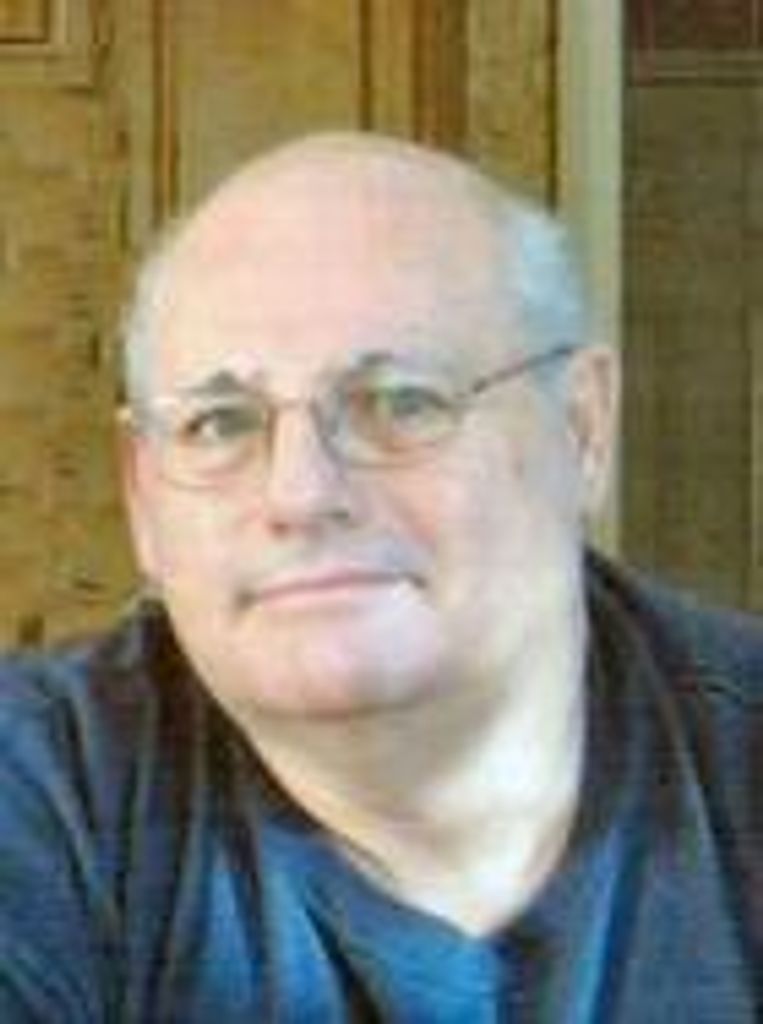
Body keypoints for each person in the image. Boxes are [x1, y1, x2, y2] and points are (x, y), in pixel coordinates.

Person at [0, 132, 760, 1022]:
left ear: (581, 430)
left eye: (400, 402)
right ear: (141, 493)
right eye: (219, 424)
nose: (299, 494)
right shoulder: (37, 798)